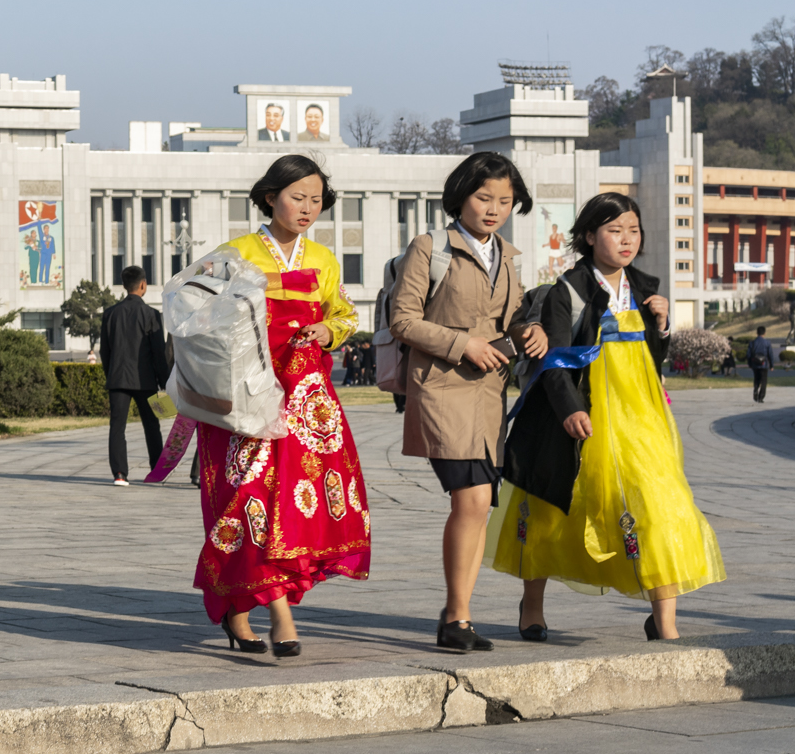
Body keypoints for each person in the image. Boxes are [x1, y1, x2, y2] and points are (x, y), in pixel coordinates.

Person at [487, 192, 724, 640]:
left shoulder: (645, 288)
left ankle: (665, 621)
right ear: (590, 235)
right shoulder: (570, 290)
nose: (626, 239)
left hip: (643, 418)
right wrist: (569, 412)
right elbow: (555, 359)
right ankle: (531, 606)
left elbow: (655, 359)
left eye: (633, 230)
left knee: (661, 504)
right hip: (587, 413)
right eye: (615, 230)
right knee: (550, 507)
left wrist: (663, 325)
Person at [193, 155, 370, 657]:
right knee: (248, 498)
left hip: (308, 401)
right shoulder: (236, 253)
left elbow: (344, 312)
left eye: (317, 199)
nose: (308, 208)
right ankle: (271, 613)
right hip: (252, 395)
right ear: (270, 197)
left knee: (290, 502)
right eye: (298, 197)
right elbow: (199, 314)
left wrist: (329, 329)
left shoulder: (324, 258)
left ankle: (248, 609)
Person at [386, 152, 548, 652]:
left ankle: (460, 615)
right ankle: (456, 615)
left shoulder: (509, 255)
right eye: (484, 198)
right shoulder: (430, 248)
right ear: (461, 195)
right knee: (472, 498)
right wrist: (463, 345)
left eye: (505, 199)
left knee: (479, 505)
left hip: (489, 393)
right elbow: (403, 320)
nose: (494, 208)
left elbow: (511, 318)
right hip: (441, 387)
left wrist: (531, 329)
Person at [98, 265, 168, 485]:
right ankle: (156, 472)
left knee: (117, 427)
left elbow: (104, 351)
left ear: (123, 286)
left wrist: (111, 373)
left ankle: (120, 474)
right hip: (146, 381)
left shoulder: (110, 314)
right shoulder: (151, 315)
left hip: (117, 379)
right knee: (152, 426)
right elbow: (159, 352)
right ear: (143, 285)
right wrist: (164, 382)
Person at [748, 326, 779, 402]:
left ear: (757, 333)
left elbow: (748, 354)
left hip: (755, 364)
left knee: (756, 379)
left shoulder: (752, 343)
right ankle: (761, 397)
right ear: (764, 333)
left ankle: (755, 391)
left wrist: (750, 364)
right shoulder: (767, 343)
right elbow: (770, 354)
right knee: (764, 381)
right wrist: (771, 365)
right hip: (763, 364)